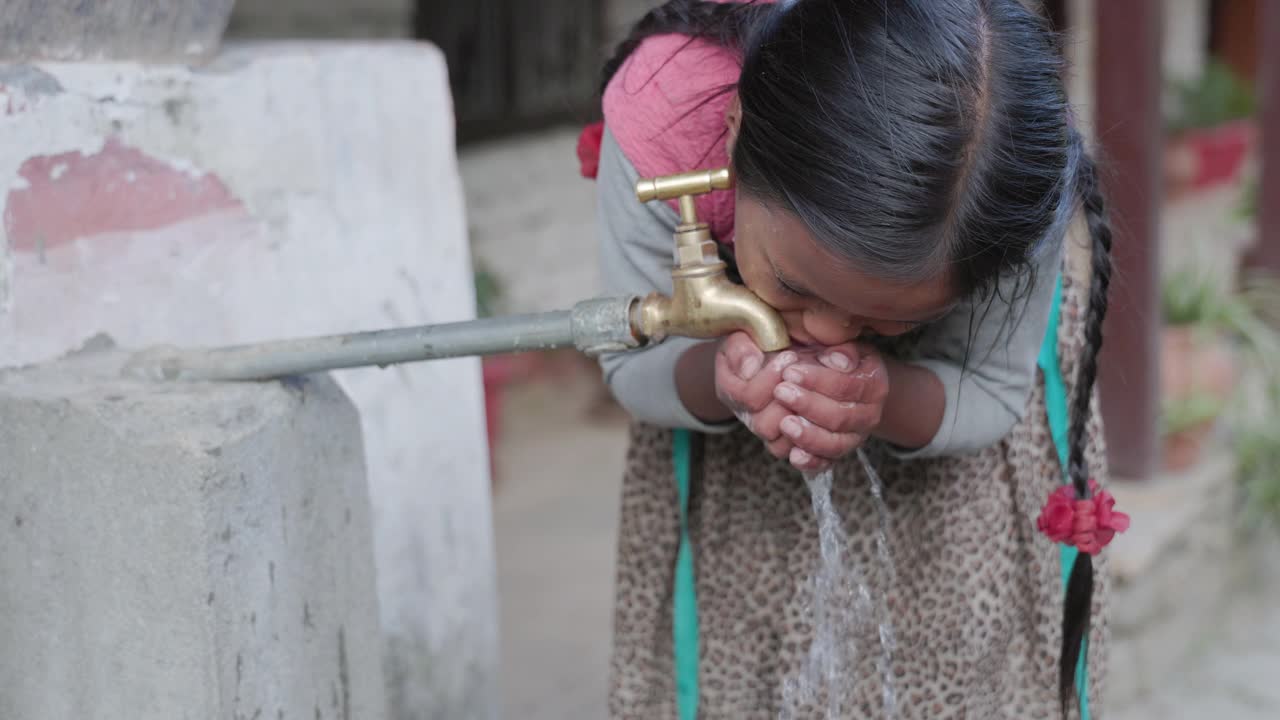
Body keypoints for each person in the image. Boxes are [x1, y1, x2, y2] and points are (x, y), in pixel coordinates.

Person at [579, 1, 1130, 717]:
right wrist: (721, 380)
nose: (832, 337)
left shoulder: (1009, 177)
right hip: (730, 506)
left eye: (884, 318)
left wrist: (885, 394)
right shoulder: (666, 121)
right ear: (733, 135)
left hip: (955, 480)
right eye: (794, 288)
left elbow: (991, 386)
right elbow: (634, 364)